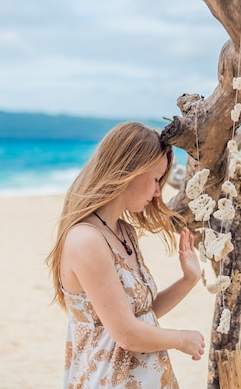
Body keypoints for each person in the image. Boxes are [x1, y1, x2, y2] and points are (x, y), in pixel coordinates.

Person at [46, 121, 205, 389]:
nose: (157, 192)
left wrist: (188, 280)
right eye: (155, 179)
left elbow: (142, 316)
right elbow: (127, 335)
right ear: (130, 171)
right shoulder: (86, 240)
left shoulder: (124, 232)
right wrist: (180, 339)